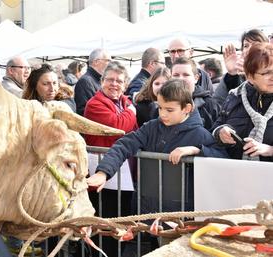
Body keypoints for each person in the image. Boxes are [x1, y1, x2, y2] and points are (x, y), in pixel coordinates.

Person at [87, 79, 228, 255]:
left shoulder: (201, 135)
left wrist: (198, 151)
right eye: (160, 107)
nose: (163, 114)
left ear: (187, 109)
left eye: (169, 110)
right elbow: (124, 145)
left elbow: (222, 158)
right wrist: (103, 172)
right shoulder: (151, 127)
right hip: (143, 212)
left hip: (178, 219)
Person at [84, 61, 137, 257]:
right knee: (104, 223)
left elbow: (135, 132)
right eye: (110, 80)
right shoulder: (95, 104)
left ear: (125, 85)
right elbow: (119, 126)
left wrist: (130, 112)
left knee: (121, 221)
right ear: (101, 81)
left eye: (119, 81)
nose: (114, 84)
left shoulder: (125, 102)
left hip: (124, 175)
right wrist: (132, 111)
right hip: (102, 176)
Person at [212, 42, 273, 162]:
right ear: (249, 75)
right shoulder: (234, 97)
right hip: (235, 176)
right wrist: (220, 133)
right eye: (266, 73)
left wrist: (269, 150)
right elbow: (215, 129)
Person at [213, 29, 269, 108]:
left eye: (256, 44)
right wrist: (232, 75)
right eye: (246, 46)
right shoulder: (238, 75)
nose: (250, 49)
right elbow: (218, 105)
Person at [171, 57, 219, 130]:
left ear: (196, 78)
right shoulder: (163, 103)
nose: (180, 79)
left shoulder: (209, 105)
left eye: (186, 75)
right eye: (176, 75)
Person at [74, 48, 111, 116]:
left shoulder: (98, 80)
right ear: (96, 61)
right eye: (108, 60)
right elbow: (85, 112)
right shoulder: (85, 81)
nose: (110, 64)